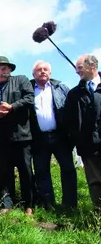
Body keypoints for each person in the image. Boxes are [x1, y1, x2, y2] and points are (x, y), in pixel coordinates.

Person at [0, 56, 34, 216]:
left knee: (26, 171)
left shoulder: (21, 80)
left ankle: (28, 204)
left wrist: (12, 107)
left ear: (10, 69)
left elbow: (30, 98)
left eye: (4, 69)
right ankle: (6, 203)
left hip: (21, 136)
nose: (0, 72)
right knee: (3, 172)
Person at [30, 60, 77, 210]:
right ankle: (47, 204)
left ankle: (69, 204)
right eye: (39, 70)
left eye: (45, 69)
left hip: (61, 136)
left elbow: (71, 109)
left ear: (50, 73)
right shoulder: (28, 89)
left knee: (68, 169)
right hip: (38, 137)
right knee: (42, 171)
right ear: (33, 74)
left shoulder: (61, 88)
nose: (42, 71)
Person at [65, 54, 101, 212]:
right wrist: (77, 138)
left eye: (79, 68)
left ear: (92, 66)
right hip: (88, 146)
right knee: (95, 182)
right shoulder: (74, 94)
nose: (76, 72)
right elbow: (70, 121)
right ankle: (98, 217)